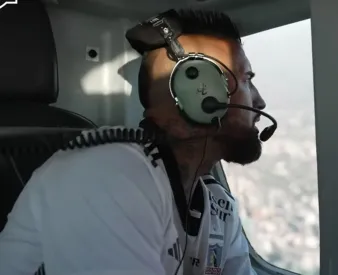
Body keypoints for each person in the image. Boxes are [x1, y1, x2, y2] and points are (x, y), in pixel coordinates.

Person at [0, 8, 269, 275]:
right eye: (246, 80)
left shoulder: (218, 205)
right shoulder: (106, 175)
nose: (259, 102)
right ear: (200, 96)